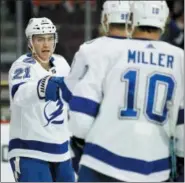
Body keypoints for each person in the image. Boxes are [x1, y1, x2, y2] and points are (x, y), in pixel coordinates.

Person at [38, 0, 184, 182]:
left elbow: (81, 119)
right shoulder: (179, 58)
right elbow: (182, 126)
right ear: (164, 21)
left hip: (103, 162)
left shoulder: (103, 50)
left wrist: (79, 142)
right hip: (156, 170)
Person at [8, 17, 75, 182]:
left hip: (61, 151)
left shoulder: (61, 63)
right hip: (29, 151)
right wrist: (44, 86)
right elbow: (19, 94)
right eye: (40, 39)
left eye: (50, 38)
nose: (46, 44)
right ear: (31, 42)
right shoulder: (22, 66)